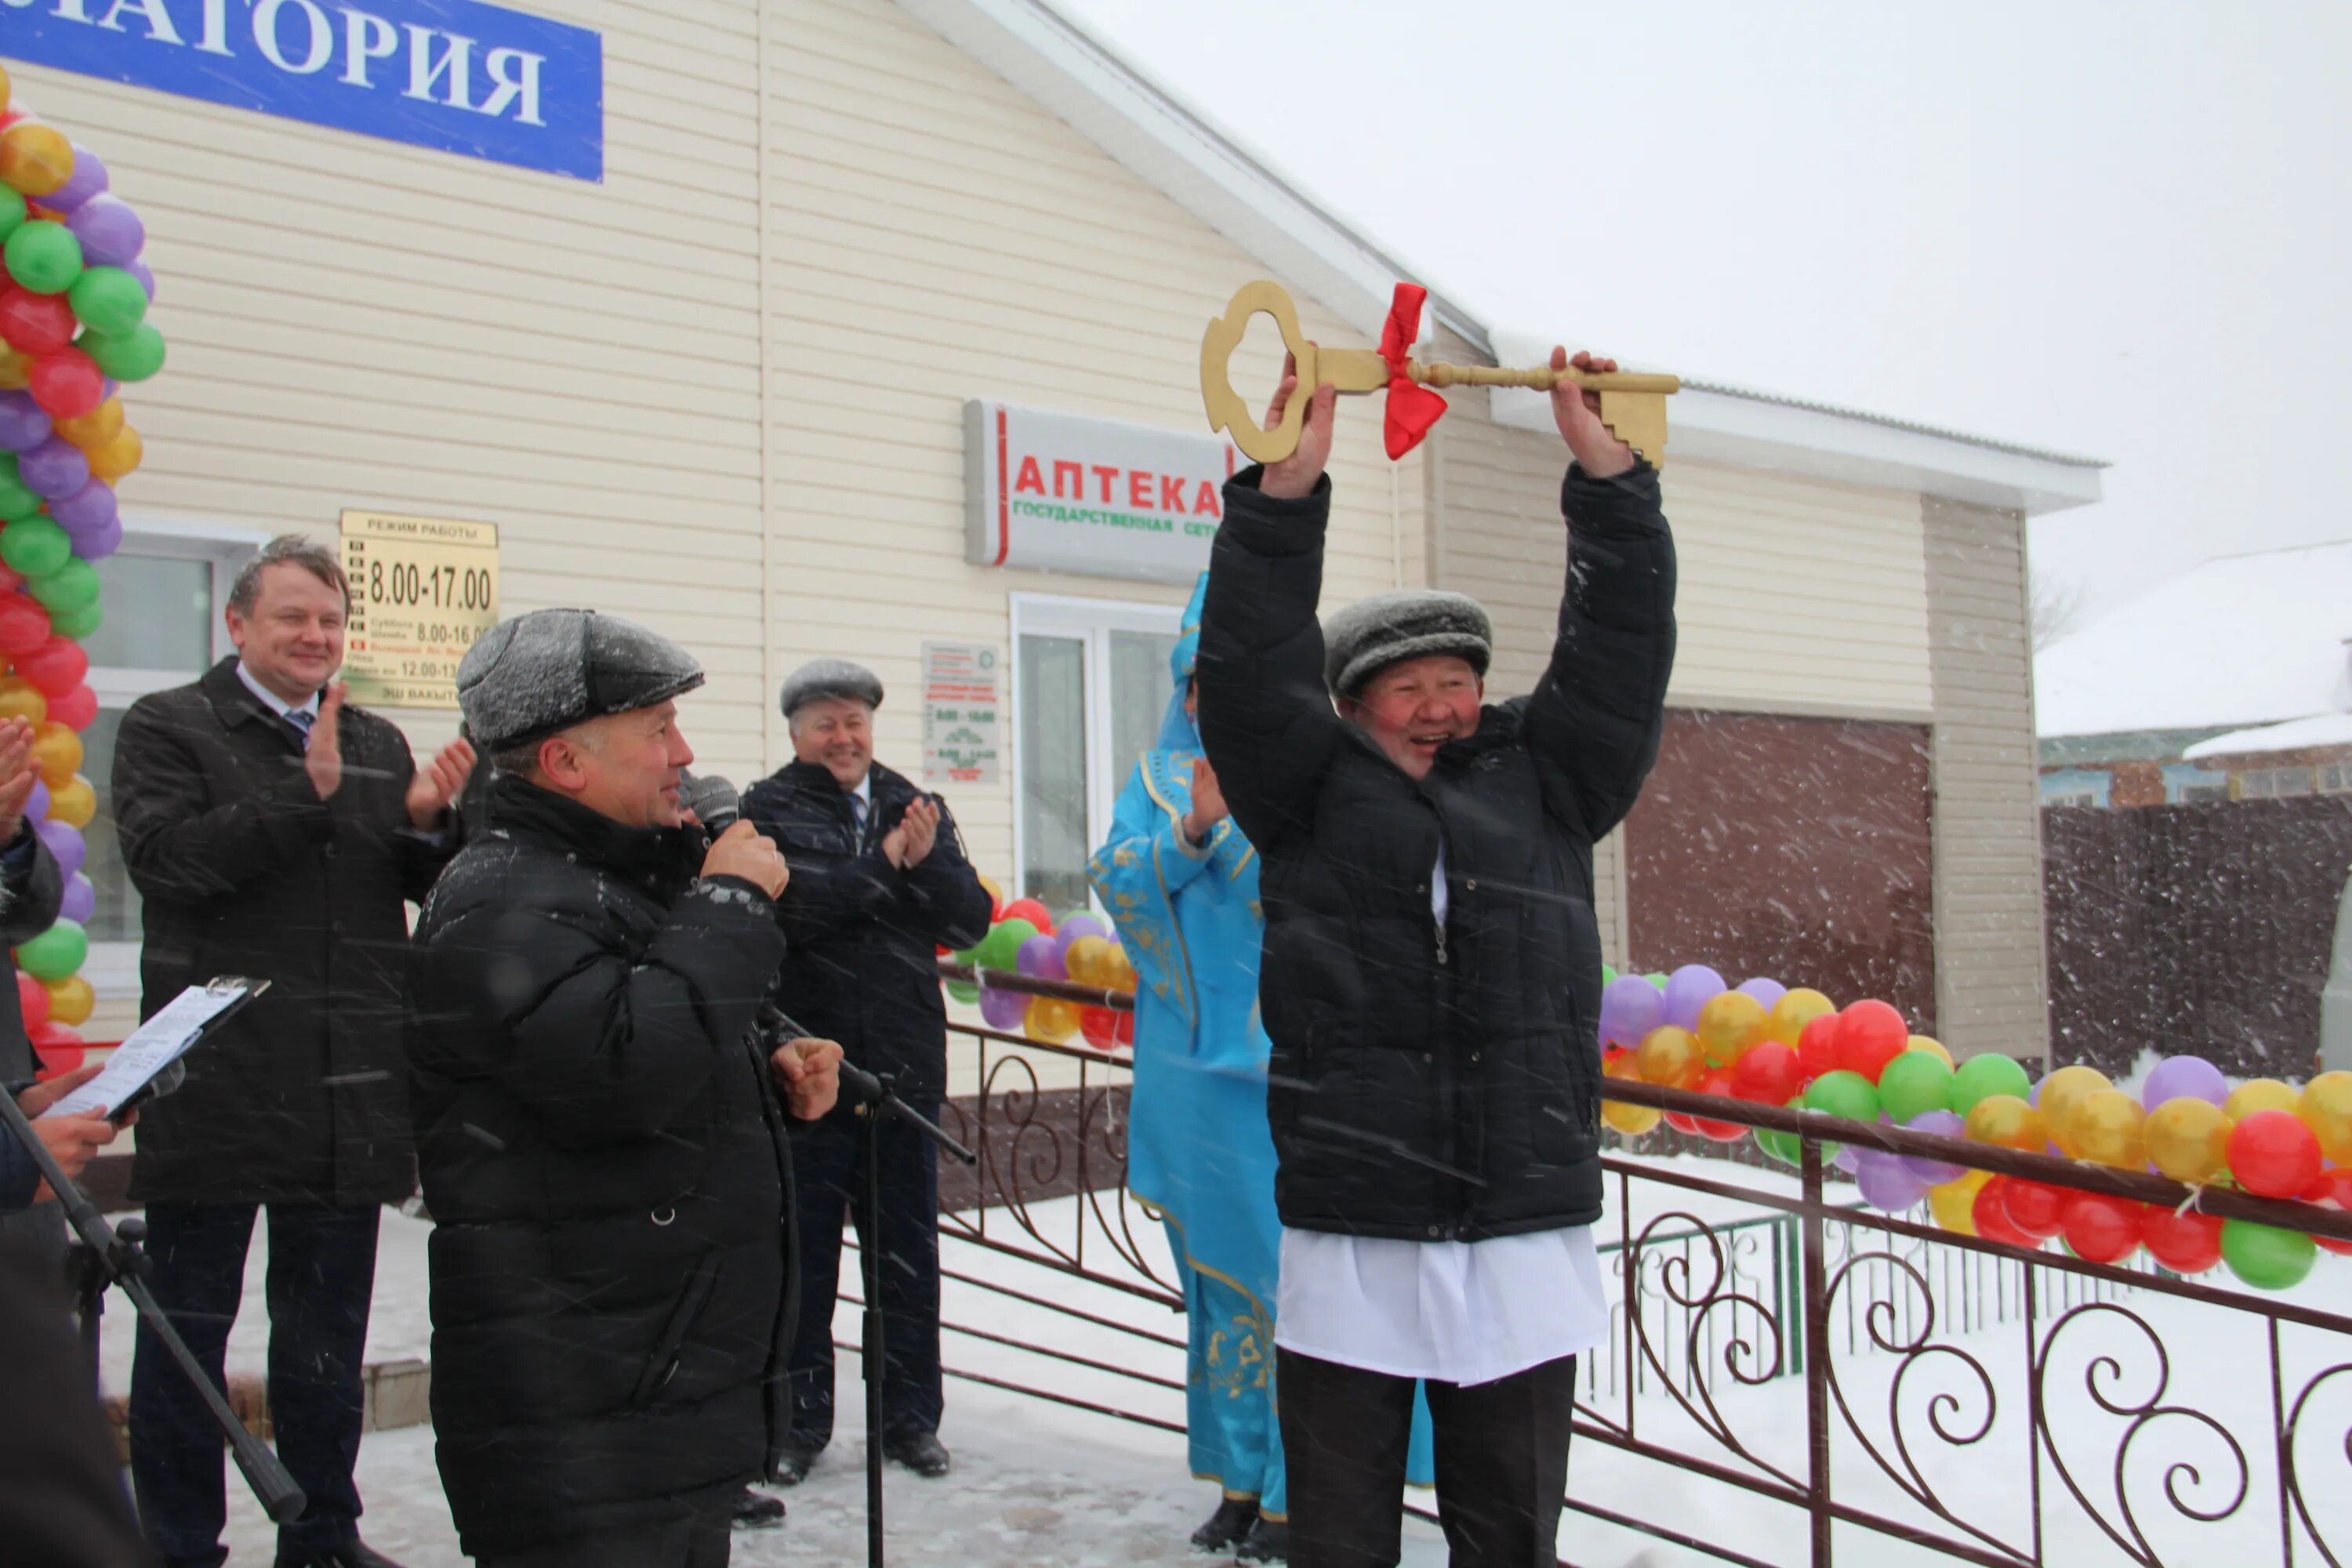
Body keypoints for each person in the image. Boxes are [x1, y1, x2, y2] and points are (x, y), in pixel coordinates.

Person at [1196, 350, 1677, 1567]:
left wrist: (1611, 482)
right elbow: (1252, 672)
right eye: (1404, 687)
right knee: (1345, 1535)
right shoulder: (1303, 792)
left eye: (1455, 681)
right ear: (1352, 710)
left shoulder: (1550, 780)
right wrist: (1281, 501)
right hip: (1359, 1218)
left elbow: (1620, 653)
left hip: (1519, 1216)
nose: (1436, 706)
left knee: (1509, 1529)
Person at [410, 609, 844, 1567]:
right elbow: (620, 1077)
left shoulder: (605, 880)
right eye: (658, 730)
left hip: (647, 1399)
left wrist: (769, 1068)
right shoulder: (498, 899)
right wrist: (729, 903)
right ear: (565, 762)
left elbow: (640, 1040)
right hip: (578, 1418)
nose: (684, 754)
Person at [114, 535, 476, 1568]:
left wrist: (423, 826)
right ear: (238, 625)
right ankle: (179, 1546)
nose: (314, 637)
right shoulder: (169, 726)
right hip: (218, 1081)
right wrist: (297, 798)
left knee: (324, 1343)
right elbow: (167, 864)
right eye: (291, 618)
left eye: (328, 620)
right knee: (187, 1335)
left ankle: (323, 1535)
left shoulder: (371, 739)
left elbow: (411, 891)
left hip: (346, 1084)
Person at [1089, 577, 1439, 1565]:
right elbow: (1118, 881)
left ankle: (1305, 1493)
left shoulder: (1325, 777)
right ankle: (1242, 1478)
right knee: (1221, 1295)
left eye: (1242, 681)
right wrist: (1191, 832)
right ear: (1188, 694)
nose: (1218, 699)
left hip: (1301, 1081)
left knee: (1307, 1294)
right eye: (1204, 683)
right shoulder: (1159, 779)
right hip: (1197, 1087)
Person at [741, 659, 993, 1485]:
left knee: (906, 1259)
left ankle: (910, 1421)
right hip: (808, 1071)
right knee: (801, 1262)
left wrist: (926, 864)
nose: (843, 737)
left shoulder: (914, 803)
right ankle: (795, 1425)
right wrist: (886, 867)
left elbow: (967, 918)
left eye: (855, 721)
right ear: (796, 732)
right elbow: (799, 909)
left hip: (904, 1071)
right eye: (825, 722)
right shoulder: (766, 808)